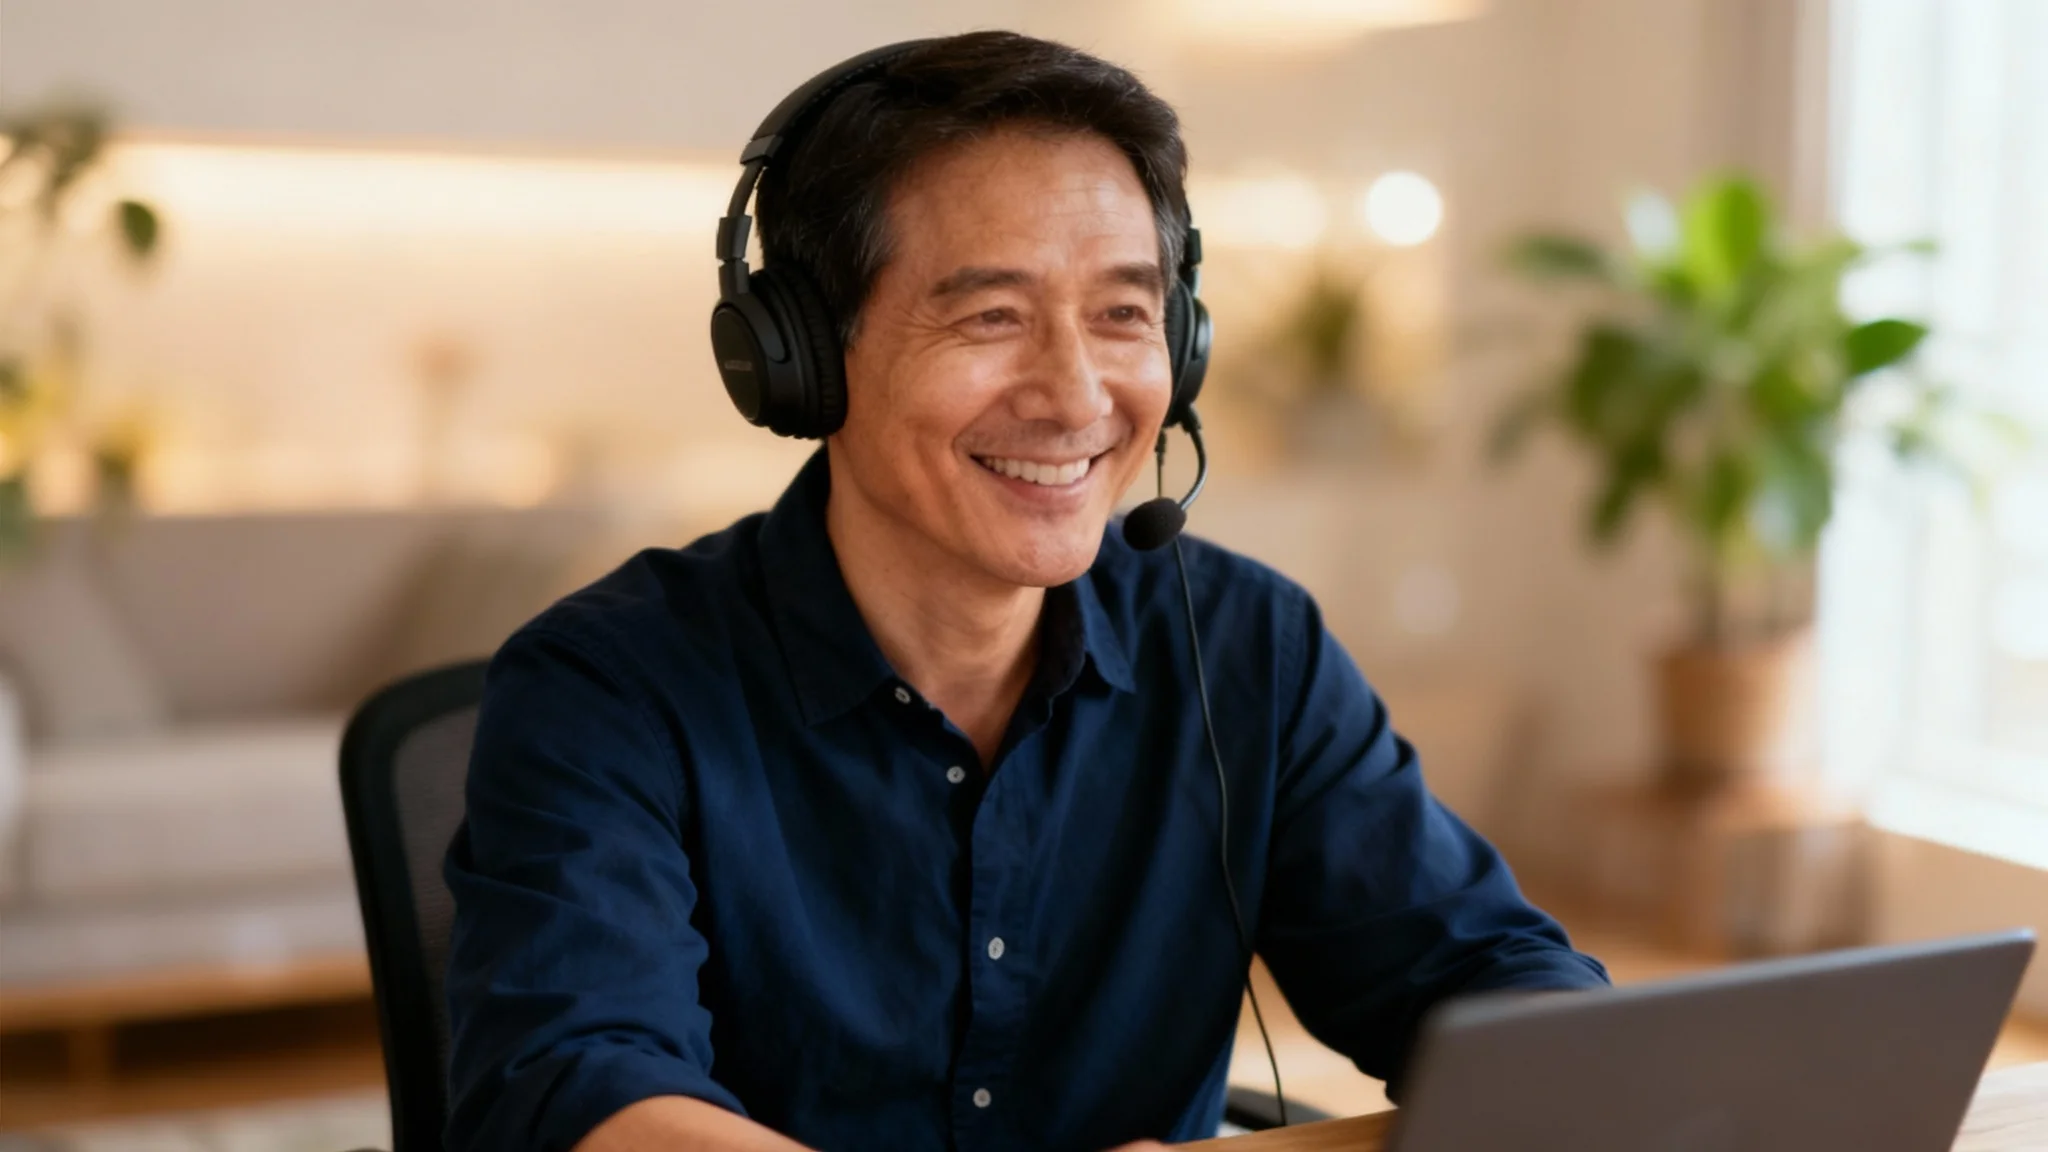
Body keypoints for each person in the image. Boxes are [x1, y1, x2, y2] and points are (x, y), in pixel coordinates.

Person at [443, 30, 1607, 1152]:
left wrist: (1597, 1069)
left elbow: (1474, 972)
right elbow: (577, 1083)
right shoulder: (606, 685)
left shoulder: (1246, 645)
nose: (1071, 394)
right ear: (795, 355)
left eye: (1121, 314)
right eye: (990, 315)